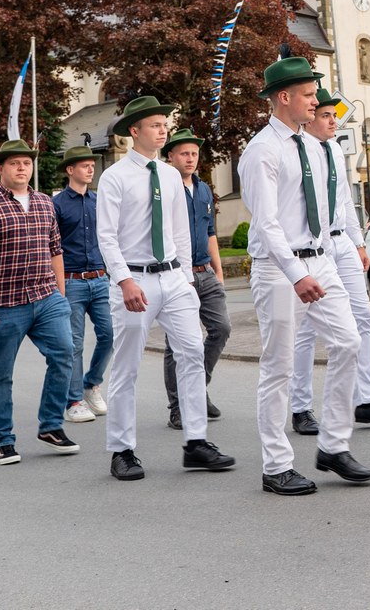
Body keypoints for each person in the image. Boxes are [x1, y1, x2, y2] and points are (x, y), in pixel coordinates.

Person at [239, 56, 370, 497]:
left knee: (349, 341)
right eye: (310, 96)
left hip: (322, 260)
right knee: (278, 366)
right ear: (285, 98)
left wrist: (336, 253)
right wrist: (296, 273)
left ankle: (333, 445)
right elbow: (266, 223)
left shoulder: (314, 146)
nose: (317, 103)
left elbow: (328, 210)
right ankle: (276, 465)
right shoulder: (262, 151)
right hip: (280, 270)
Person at [96, 97, 235, 481]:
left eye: (164, 124)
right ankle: (122, 450)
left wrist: (186, 283)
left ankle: (196, 442)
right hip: (134, 279)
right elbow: (106, 236)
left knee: (191, 353)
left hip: (175, 277)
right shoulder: (116, 177)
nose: (162, 130)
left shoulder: (171, 175)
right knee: (127, 365)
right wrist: (124, 280)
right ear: (134, 131)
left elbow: (177, 231)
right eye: (155, 125)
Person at [0, 139, 79, 466]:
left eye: (26, 162)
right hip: (3, 303)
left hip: (46, 297)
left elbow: (56, 250)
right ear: (0, 169)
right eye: (14, 163)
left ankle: (51, 425)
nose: (22, 168)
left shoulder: (44, 203)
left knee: (65, 353)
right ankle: (3, 440)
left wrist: (61, 295)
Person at [291, 89, 370, 433]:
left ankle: (365, 400)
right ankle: (300, 405)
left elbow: (345, 201)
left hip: (343, 242)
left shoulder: (336, 150)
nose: (332, 122)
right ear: (310, 119)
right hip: (315, 247)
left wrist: (359, 242)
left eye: (334, 116)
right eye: (326, 116)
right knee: (307, 327)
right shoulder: (300, 152)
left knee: (363, 315)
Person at [160, 129, 230, 431]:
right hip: (176, 275)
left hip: (205, 272)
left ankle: (197, 389)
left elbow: (210, 231)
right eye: (184, 154)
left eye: (194, 154)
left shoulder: (202, 190)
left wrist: (219, 271)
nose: (191, 159)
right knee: (175, 343)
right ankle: (178, 407)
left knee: (221, 329)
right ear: (171, 157)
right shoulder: (164, 188)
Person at [52, 145, 111, 425]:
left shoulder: (99, 201)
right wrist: (58, 286)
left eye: (92, 165)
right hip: (71, 281)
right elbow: (51, 248)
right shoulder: (57, 205)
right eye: (84, 165)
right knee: (74, 343)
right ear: (70, 170)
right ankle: (74, 400)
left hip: (100, 279)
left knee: (110, 335)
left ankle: (91, 384)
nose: (90, 169)